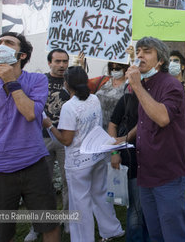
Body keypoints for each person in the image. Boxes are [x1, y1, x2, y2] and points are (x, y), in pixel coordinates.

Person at [0, 32, 60, 242]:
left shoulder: (37, 80)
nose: (1, 46)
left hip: (34, 165)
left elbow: (31, 114)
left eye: (8, 43)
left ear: (21, 55)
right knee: (1, 233)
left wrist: (12, 82)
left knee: (48, 223)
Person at [44, 66, 124, 242]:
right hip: (96, 155)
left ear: (67, 84)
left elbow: (66, 140)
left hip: (78, 162)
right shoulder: (94, 99)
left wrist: (49, 125)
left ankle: (83, 238)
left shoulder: (69, 107)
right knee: (100, 194)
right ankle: (111, 229)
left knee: (79, 204)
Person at [125, 37, 185, 241]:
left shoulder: (171, 85)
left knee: (173, 234)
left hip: (167, 175)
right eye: (139, 51)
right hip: (146, 174)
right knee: (155, 233)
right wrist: (125, 138)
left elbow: (162, 118)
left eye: (147, 51)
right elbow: (145, 121)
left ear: (160, 60)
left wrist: (137, 87)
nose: (140, 55)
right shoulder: (145, 85)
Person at [25, 48, 71, 242]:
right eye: (58, 61)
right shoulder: (39, 80)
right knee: (41, 184)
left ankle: (67, 220)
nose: (61, 65)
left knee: (70, 181)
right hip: (42, 138)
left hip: (65, 139)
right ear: (49, 62)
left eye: (65, 61)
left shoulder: (72, 82)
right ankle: (38, 225)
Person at [108, 92, 149, 242]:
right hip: (132, 160)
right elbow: (113, 124)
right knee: (136, 208)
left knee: (149, 208)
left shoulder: (157, 98)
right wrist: (114, 151)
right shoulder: (127, 99)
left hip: (153, 161)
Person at [88, 61, 130, 130]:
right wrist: (80, 64)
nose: (114, 71)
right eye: (112, 68)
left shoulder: (130, 85)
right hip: (97, 127)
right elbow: (85, 84)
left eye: (117, 69)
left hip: (117, 129)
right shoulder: (103, 80)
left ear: (125, 68)